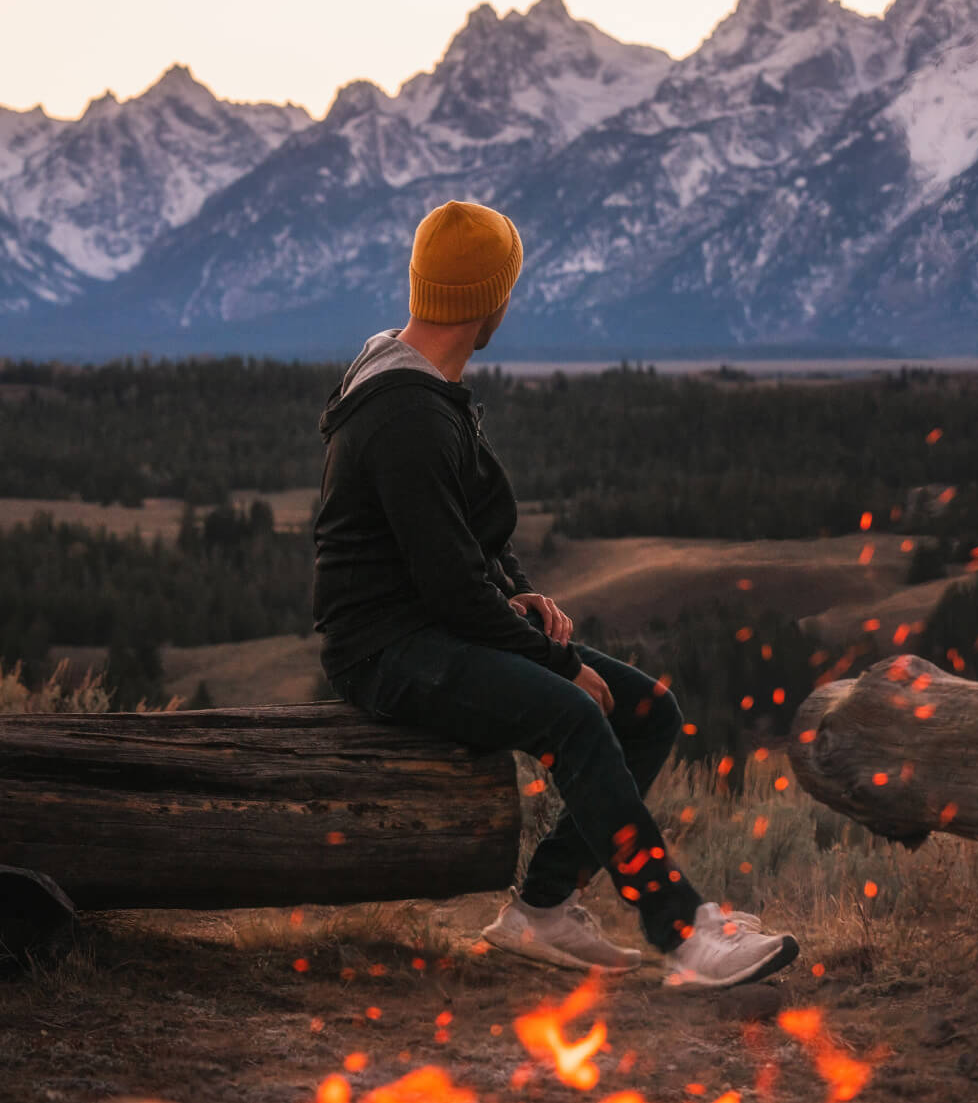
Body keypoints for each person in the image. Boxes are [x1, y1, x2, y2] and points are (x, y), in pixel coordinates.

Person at [312, 199, 799, 988]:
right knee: (574, 711)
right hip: (385, 651)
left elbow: (452, 545)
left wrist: (515, 592)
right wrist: (552, 661)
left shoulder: (412, 381)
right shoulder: (407, 414)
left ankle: (541, 906)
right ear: (488, 301)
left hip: (430, 623)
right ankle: (685, 932)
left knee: (647, 711)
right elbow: (442, 583)